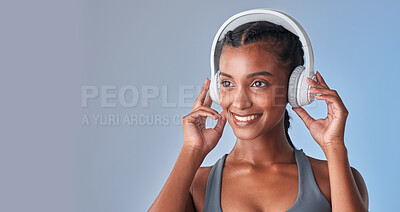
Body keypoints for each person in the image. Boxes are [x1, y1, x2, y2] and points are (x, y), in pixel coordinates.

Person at [149, 20, 369, 212]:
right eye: (227, 83)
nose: (239, 102)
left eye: (258, 83)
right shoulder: (198, 185)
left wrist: (334, 146)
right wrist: (192, 151)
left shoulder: (332, 179)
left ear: (294, 89)